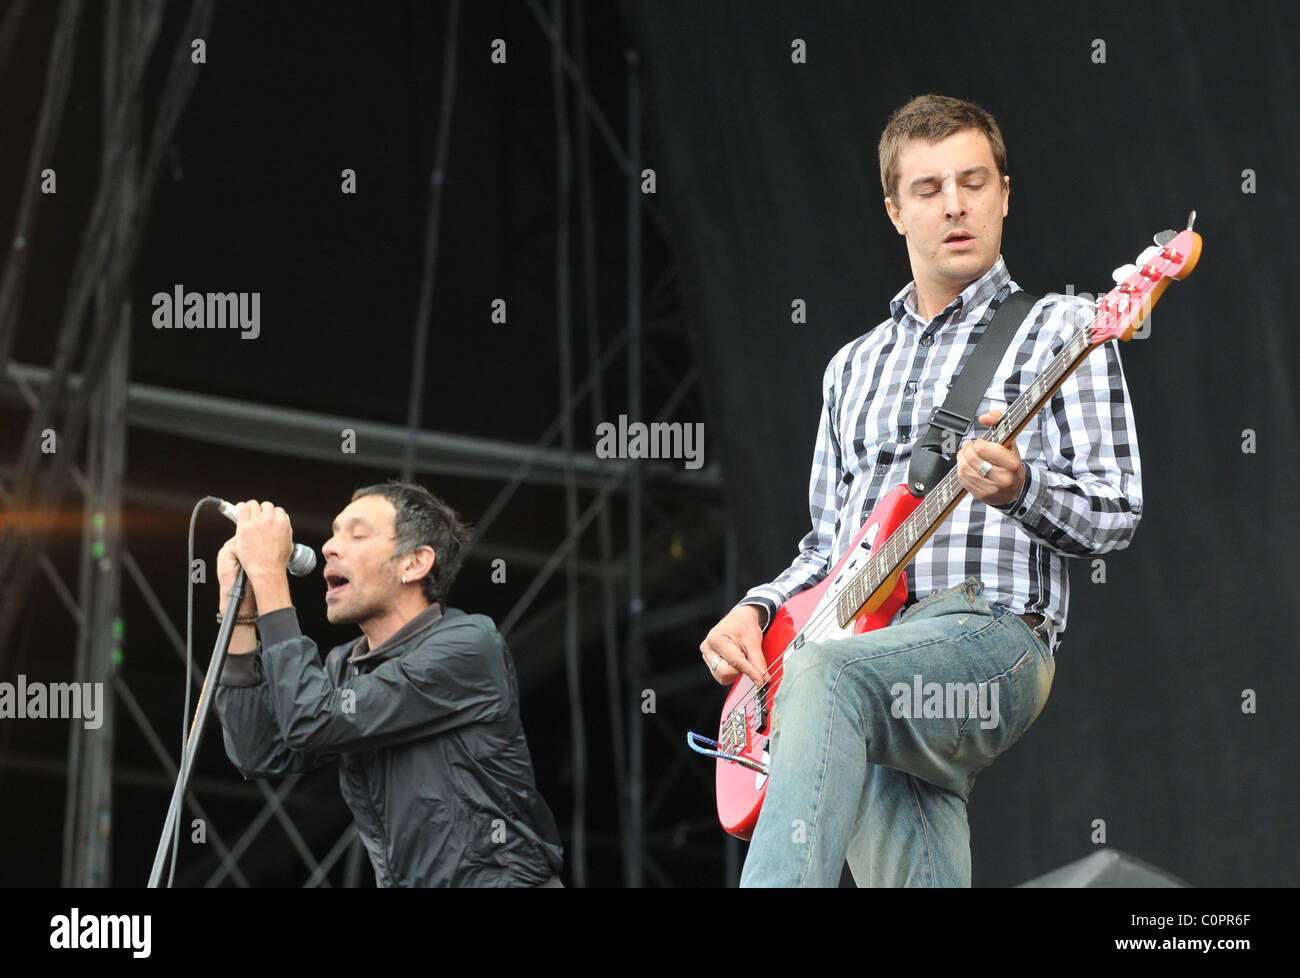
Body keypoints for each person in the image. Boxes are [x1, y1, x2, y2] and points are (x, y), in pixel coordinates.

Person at [698, 94, 1142, 887]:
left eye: (974, 182)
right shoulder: (851, 367)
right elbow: (828, 549)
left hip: (988, 637)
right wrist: (760, 607)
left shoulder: (1065, 326)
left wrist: (1020, 488)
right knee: (902, 841)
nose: (956, 204)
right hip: (864, 649)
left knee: (827, 680)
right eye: (930, 189)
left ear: (1004, 194)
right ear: (895, 211)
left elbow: (1116, 511)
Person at [213, 481, 564, 887]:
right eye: (334, 531)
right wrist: (237, 612)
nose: (329, 546)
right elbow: (260, 752)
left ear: (414, 563)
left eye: (357, 534)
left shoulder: (468, 647)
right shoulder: (346, 666)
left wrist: (271, 577)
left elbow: (312, 718)